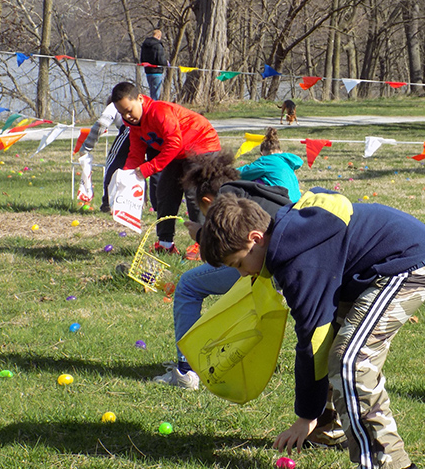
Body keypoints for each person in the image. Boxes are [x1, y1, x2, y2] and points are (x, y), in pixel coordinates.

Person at [199, 188, 425, 469]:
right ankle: (332, 429)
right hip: (366, 272)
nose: (242, 274)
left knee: (351, 360)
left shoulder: (299, 262)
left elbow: (311, 342)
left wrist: (305, 415)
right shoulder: (288, 234)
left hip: (407, 265)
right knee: (336, 345)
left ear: (256, 238)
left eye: (239, 264)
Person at [153, 150, 291, 389]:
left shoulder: (228, 199)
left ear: (207, 202)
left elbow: (228, 244)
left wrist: (200, 234)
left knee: (188, 285)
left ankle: (186, 370)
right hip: (289, 258)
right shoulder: (255, 189)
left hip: (264, 263)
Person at [111, 81, 220, 256]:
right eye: (122, 113)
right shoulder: (135, 126)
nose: (127, 116)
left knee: (194, 194)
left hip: (201, 145)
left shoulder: (159, 111)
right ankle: (165, 243)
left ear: (140, 98)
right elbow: (135, 154)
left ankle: (204, 244)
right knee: (165, 193)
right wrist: (126, 178)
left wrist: (149, 168)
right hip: (179, 152)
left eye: (129, 110)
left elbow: (173, 143)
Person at [77, 101, 160, 213]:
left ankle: (108, 204)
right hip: (154, 132)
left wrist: (86, 147)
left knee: (114, 162)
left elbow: (102, 123)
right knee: (156, 167)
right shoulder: (141, 104)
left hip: (132, 131)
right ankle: (158, 207)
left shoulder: (115, 104)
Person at [236, 127, 303, 202]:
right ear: (281, 151)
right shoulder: (287, 161)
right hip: (297, 201)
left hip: (283, 201)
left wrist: (227, 171)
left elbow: (244, 173)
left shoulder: (266, 160)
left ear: (262, 153)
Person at [140, 29, 169, 100]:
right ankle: (154, 107)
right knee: (156, 93)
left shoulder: (145, 45)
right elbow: (160, 60)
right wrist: (166, 63)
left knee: (152, 91)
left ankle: (152, 105)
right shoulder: (158, 45)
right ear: (159, 36)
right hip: (157, 71)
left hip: (148, 71)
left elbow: (142, 59)